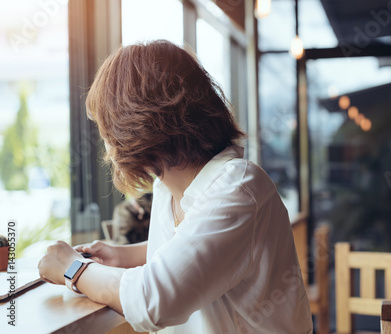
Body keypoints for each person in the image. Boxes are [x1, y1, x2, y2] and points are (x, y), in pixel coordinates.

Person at [38, 40, 313, 333]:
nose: (106, 145)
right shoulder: (167, 187)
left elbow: (153, 302)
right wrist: (123, 255)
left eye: (107, 128)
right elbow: (193, 247)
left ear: (135, 125)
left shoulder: (239, 187)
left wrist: (73, 268)